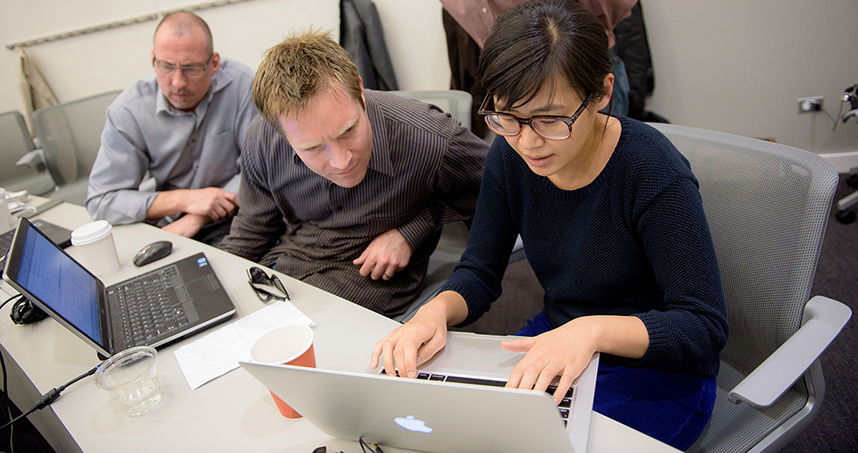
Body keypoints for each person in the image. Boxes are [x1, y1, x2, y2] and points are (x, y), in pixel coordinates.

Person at [370, 1, 728, 449]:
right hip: (559, 340)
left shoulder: (653, 173)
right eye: (509, 118)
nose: (529, 142)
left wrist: (591, 330)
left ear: (601, 93)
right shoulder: (510, 155)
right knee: (451, 429)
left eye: (551, 119)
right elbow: (480, 270)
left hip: (657, 371)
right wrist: (436, 312)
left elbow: (703, 328)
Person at [217, 30, 488, 318]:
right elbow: (253, 228)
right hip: (285, 268)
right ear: (280, 134)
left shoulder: (430, 138)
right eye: (312, 148)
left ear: (359, 88)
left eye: (348, 131)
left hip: (364, 284)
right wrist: (211, 282)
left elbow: (502, 185)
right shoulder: (260, 138)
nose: (341, 160)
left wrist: (414, 230)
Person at [86, 11, 258, 246]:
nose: (178, 82)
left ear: (214, 63)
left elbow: (263, 170)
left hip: (242, 214)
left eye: (191, 68)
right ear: (153, 60)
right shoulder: (127, 112)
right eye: (166, 66)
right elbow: (102, 201)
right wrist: (185, 200)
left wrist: (199, 214)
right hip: (172, 224)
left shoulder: (244, 86)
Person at [440, 0, 636, 137]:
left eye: (549, 120)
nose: (529, 142)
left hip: (572, 62)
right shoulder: (504, 153)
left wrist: (571, 36)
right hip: (491, 65)